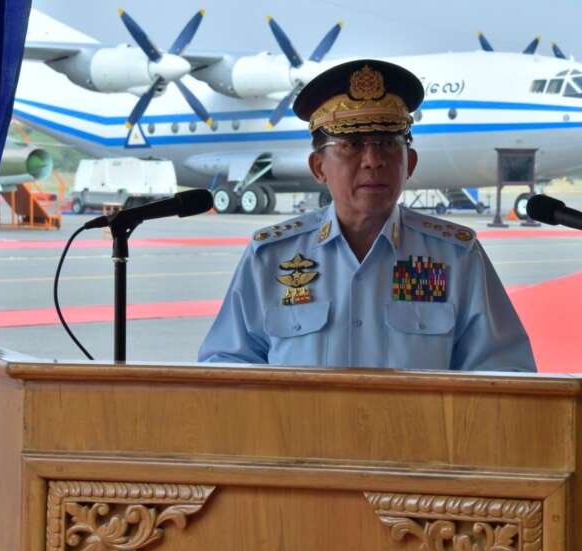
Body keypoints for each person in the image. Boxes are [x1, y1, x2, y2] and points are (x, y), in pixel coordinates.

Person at [198, 59, 536, 371]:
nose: (373, 160)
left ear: (410, 163)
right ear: (318, 167)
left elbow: (505, 372)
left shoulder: (455, 256)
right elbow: (227, 364)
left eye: (388, 143)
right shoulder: (271, 257)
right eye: (351, 145)